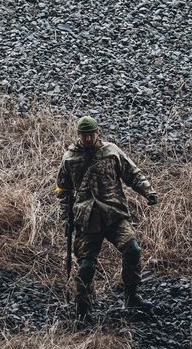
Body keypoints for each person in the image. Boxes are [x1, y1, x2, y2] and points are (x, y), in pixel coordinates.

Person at [54, 116, 159, 322]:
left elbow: (132, 173)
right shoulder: (70, 158)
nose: (87, 139)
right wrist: (66, 218)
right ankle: (83, 309)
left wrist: (148, 191)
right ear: (78, 135)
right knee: (86, 267)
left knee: (133, 250)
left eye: (91, 134)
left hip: (114, 215)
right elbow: (63, 191)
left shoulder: (111, 152)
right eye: (84, 135)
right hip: (87, 220)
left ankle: (131, 296)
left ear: (97, 133)